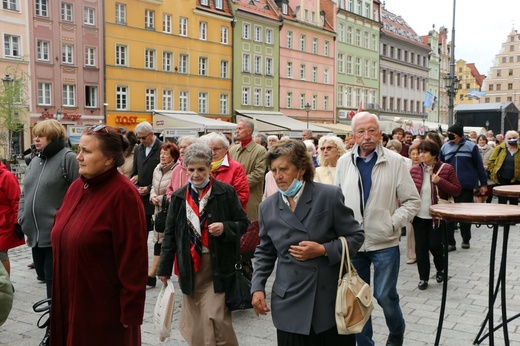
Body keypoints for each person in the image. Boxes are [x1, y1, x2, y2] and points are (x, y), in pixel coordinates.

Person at [251, 139, 364, 346]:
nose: (278, 176)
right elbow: (265, 251)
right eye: (274, 170)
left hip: (328, 302)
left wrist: (323, 249)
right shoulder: (267, 207)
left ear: (301, 169)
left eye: (284, 169)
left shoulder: (328, 196)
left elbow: (356, 236)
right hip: (289, 301)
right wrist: (257, 287)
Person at [50, 124, 148, 345]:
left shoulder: (123, 194)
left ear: (109, 160)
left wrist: (130, 311)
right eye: (79, 149)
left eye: (87, 151)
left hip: (102, 310)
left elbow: (134, 259)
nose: (79, 157)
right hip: (68, 300)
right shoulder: (76, 187)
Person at [335, 112, 420, 346]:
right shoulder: (344, 163)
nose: (367, 136)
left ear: (380, 134)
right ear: (352, 136)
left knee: (384, 295)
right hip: (353, 243)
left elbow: (413, 201)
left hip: (384, 241)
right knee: (358, 301)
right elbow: (336, 201)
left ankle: (397, 328)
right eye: (361, 131)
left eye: (372, 130)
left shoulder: (396, 162)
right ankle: (365, 344)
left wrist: (392, 223)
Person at [157, 143, 249, 346]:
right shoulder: (180, 197)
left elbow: (244, 223)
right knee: (198, 322)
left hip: (218, 265)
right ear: (185, 169)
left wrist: (225, 227)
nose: (196, 174)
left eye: (201, 169)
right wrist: (163, 269)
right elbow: (170, 234)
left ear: (210, 168)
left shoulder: (225, 192)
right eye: (191, 169)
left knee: (216, 318)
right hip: (190, 267)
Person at [18, 119, 79, 299]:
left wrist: (64, 222)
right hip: (34, 235)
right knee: (43, 276)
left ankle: (56, 322)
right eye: (35, 135)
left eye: (41, 136)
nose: (36, 139)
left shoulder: (68, 158)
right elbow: (25, 192)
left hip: (56, 235)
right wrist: (21, 216)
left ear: (53, 137)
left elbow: (79, 194)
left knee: (56, 284)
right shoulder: (35, 160)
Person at [409, 140, 461, 290]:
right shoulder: (414, 170)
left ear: (434, 154)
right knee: (421, 248)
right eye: (420, 152)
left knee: (435, 245)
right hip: (418, 216)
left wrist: (440, 181)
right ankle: (423, 278)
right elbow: (406, 192)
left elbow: (457, 190)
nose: (420, 155)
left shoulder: (446, 169)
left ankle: (441, 269)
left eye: (424, 152)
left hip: (436, 217)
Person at [439, 123, 487, 250]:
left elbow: (479, 166)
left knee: (464, 215)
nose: (449, 136)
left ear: (459, 134)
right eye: (448, 133)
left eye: (452, 134)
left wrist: (483, 183)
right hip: (448, 186)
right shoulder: (444, 147)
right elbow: (440, 165)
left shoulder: (471, 146)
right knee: (448, 216)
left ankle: (466, 239)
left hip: (466, 186)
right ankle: (450, 242)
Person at [147, 142, 180, 288]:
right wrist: (152, 196)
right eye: (161, 153)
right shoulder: (157, 168)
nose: (162, 156)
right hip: (158, 210)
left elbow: (176, 191)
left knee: (166, 241)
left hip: (170, 210)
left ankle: (154, 274)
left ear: (173, 157)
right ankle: (154, 274)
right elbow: (153, 186)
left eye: (166, 154)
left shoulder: (177, 170)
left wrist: (160, 199)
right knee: (157, 241)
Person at [200, 132, 249, 211]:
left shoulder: (236, 167)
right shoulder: (202, 167)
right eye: (210, 149)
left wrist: (220, 207)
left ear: (226, 149)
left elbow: (242, 196)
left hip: (228, 214)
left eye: (216, 149)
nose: (213, 153)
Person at [229, 120, 266, 221]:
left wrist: (237, 185)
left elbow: (258, 173)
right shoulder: (232, 150)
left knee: (250, 229)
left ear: (249, 131)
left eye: (240, 129)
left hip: (251, 198)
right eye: (237, 129)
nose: (237, 131)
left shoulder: (260, 150)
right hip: (232, 197)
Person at [131, 121, 163, 233]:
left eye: (143, 138)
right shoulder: (138, 148)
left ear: (151, 134)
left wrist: (149, 189)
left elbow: (166, 175)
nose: (141, 141)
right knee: (141, 231)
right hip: (141, 195)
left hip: (156, 196)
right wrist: (136, 184)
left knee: (158, 232)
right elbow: (134, 171)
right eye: (138, 138)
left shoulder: (162, 148)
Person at [0, 162, 24, 292]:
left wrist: (17, 222)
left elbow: (16, 200)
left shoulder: (7, 176)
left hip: (6, 222)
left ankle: (5, 286)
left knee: (1, 252)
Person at [487, 130, 520, 205]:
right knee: (502, 201)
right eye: (509, 138)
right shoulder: (499, 148)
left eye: (514, 137)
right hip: (502, 179)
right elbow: (491, 161)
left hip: (516, 180)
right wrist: (493, 172)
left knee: (514, 202)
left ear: (517, 138)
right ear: (505, 139)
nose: (512, 139)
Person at [475, 134, 494, 203]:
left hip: (487, 175)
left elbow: (494, 160)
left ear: (486, 141)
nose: (482, 141)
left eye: (483, 140)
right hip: (476, 175)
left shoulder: (491, 149)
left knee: (487, 194)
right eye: (480, 140)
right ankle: (479, 207)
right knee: (478, 194)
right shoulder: (474, 148)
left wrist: (488, 166)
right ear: (478, 141)